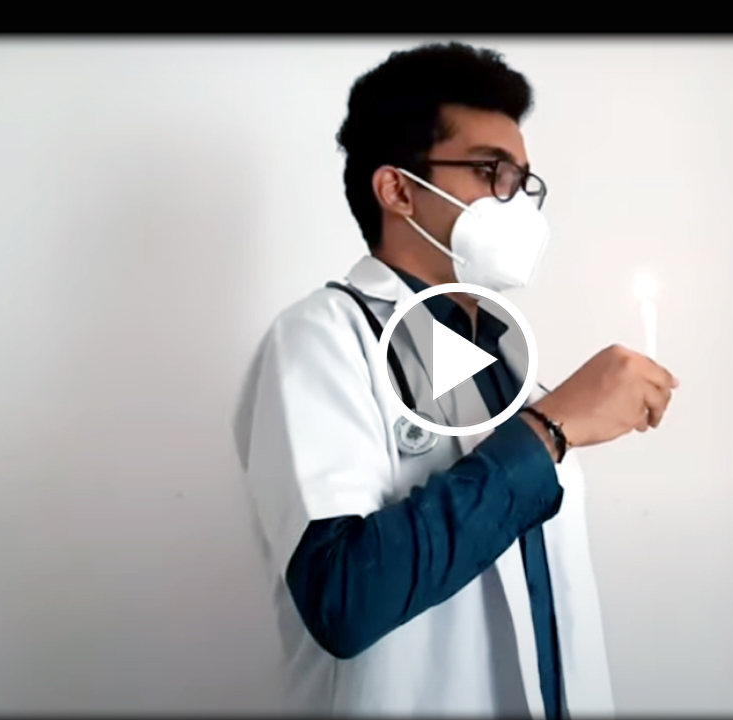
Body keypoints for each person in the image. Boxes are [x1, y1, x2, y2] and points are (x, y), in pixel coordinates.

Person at [233, 42, 678, 717]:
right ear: (398, 190)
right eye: (490, 171)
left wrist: (546, 423)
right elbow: (345, 600)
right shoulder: (321, 339)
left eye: (523, 181)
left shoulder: (506, 365)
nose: (516, 202)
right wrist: (550, 429)